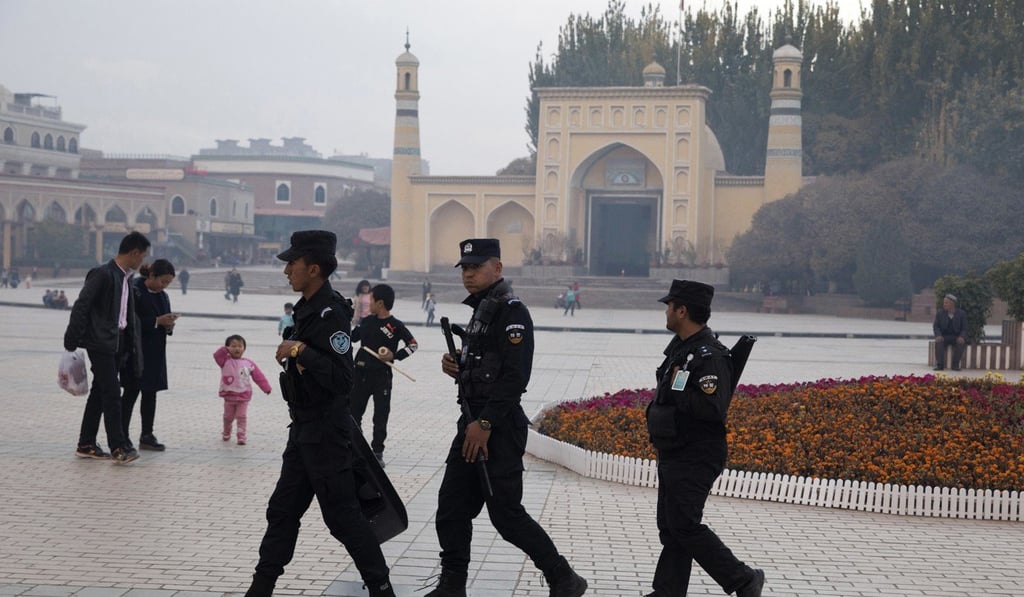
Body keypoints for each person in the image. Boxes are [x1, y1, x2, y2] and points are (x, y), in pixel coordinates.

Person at [430, 238, 587, 597]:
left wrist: (485, 424)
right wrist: (457, 367)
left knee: (506, 515)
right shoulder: (482, 310)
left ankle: (564, 578)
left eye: (476, 267)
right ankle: (451, 586)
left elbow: (515, 378)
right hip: (471, 424)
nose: (468, 274)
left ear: (497, 268)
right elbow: (487, 369)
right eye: (465, 268)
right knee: (451, 509)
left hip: (496, 428)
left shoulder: (512, 312)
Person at [244, 230, 396, 597]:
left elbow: (343, 378)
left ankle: (381, 587)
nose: (287, 271)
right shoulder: (307, 309)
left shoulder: (330, 314)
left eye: (292, 264)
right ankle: (260, 588)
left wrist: (299, 351)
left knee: (344, 519)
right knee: (282, 510)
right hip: (304, 430)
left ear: (313, 268)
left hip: (327, 434)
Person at [644, 279, 765, 597]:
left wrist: (677, 390)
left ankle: (743, 578)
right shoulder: (682, 351)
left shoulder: (708, 355)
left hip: (697, 452)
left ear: (682, 311)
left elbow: (712, 407)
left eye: (670, 307)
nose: (666, 312)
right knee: (672, 528)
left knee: (684, 525)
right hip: (675, 450)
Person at [63, 231, 150, 464]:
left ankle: (86, 443)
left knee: (100, 393)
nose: (142, 261)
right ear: (133, 253)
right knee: (112, 393)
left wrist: (130, 345)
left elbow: (125, 315)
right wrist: (71, 340)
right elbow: (82, 305)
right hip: (100, 343)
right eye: (141, 256)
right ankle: (119, 448)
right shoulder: (102, 274)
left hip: (117, 343)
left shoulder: (125, 278)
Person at [350, 283, 418, 468]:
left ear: (379, 303)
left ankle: (377, 452)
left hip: (382, 376)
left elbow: (413, 345)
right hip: (360, 374)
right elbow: (351, 337)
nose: (368, 302)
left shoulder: (395, 326)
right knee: (354, 412)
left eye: (371, 299)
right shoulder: (367, 322)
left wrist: (394, 356)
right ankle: (356, 447)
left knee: (381, 416)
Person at [121, 259, 178, 451]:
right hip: (136, 352)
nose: (164, 286)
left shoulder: (163, 296)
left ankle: (147, 434)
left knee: (150, 394)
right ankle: (121, 435)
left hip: (155, 353)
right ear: (152, 276)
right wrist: (155, 321)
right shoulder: (134, 290)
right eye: (163, 281)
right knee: (130, 394)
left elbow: (164, 322)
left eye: (168, 283)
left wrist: (169, 324)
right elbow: (129, 321)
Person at [214, 334, 272, 444]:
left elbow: (258, 376)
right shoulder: (224, 361)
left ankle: (241, 435)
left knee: (241, 416)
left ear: (244, 348)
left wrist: (266, 388)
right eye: (233, 346)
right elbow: (217, 356)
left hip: (243, 395)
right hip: (229, 394)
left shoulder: (248, 363)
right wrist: (224, 349)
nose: (237, 348)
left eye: (240, 346)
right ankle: (226, 431)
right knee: (228, 416)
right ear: (227, 348)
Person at [933, 293, 967, 371]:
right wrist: (938, 335)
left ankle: (955, 365)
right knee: (939, 342)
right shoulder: (940, 313)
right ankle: (939, 365)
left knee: (961, 343)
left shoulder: (961, 314)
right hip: (944, 336)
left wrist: (962, 336)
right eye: (944, 303)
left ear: (952, 304)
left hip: (956, 336)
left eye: (946, 303)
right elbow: (936, 326)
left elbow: (964, 328)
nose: (944, 304)